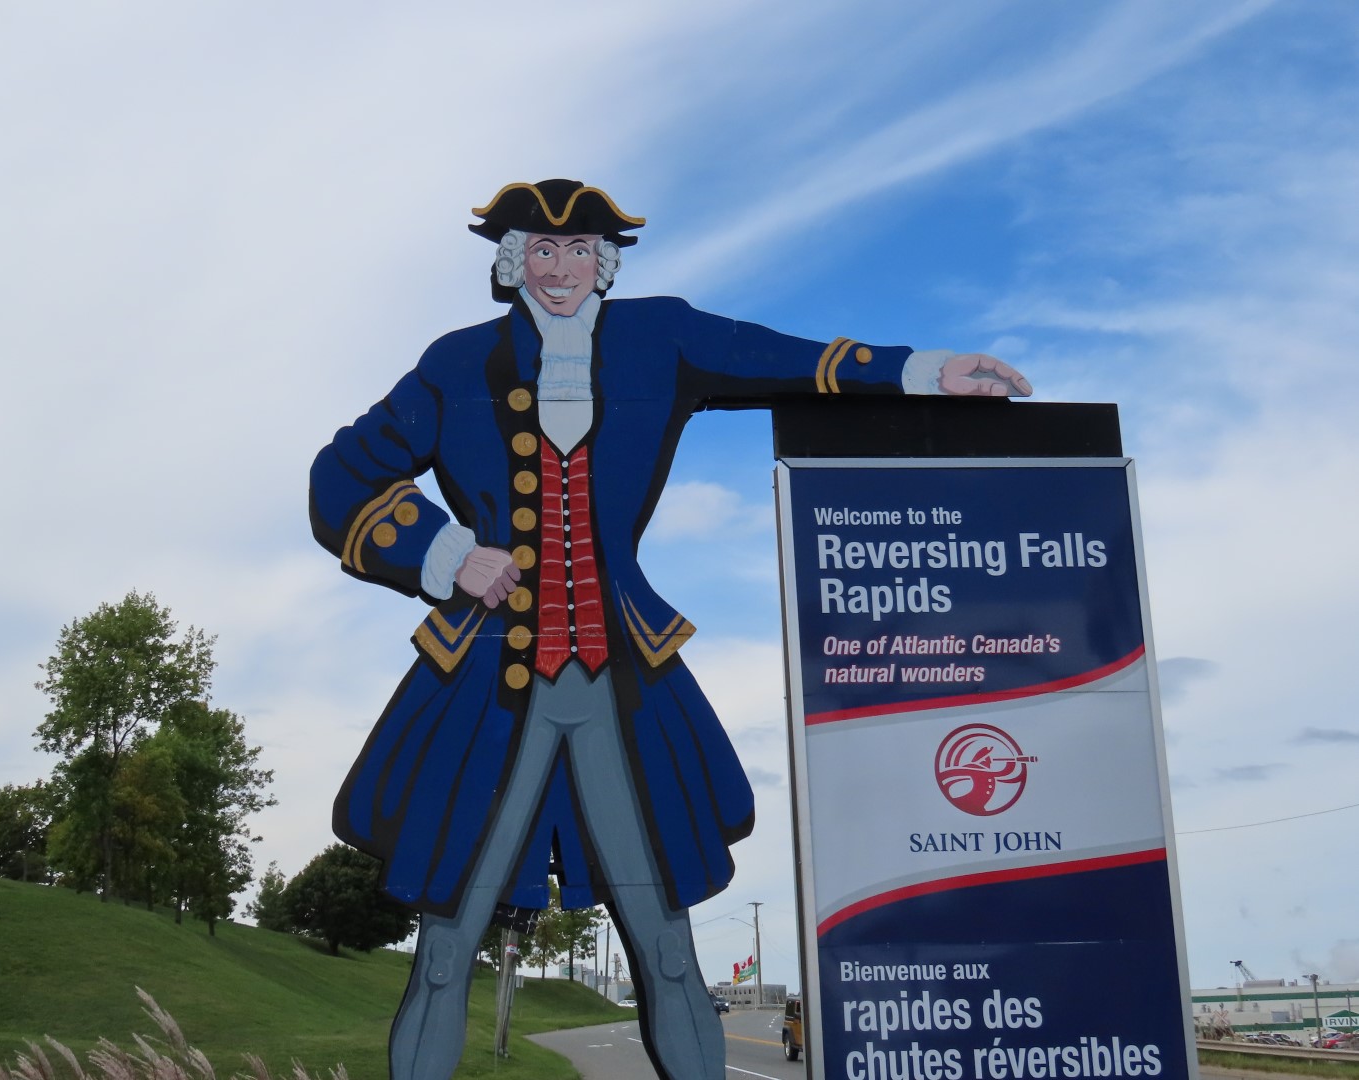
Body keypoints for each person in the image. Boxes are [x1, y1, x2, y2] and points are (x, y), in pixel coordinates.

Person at [309, 179, 1030, 1080]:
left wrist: (924, 370)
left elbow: (785, 358)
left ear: (605, 260)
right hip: (487, 685)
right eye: (541, 249)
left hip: (624, 679)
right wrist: (447, 552)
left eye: (578, 250)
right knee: (446, 945)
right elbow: (340, 477)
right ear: (512, 261)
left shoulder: (662, 339)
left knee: (667, 943)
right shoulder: (455, 366)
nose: (560, 268)